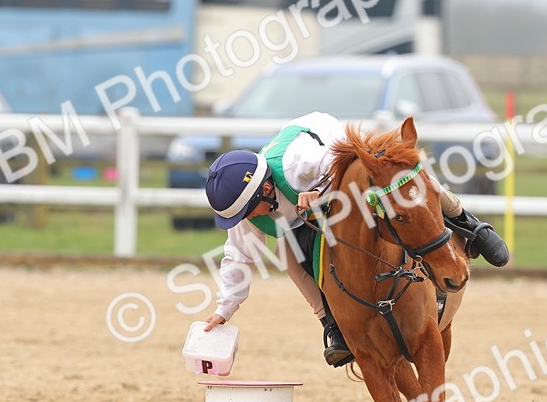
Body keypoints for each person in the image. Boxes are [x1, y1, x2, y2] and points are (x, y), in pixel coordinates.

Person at [202, 111, 508, 368]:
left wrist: (320, 195)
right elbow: (239, 258)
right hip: (304, 204)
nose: (245, 219)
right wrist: (224, 310)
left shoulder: (300, 162)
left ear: (265, 190)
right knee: (287, 254)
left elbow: (342, 171)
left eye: (245, 211)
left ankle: (470, 225)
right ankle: (332, 325)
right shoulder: (248, 212)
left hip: (337, 154)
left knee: (410, 185)